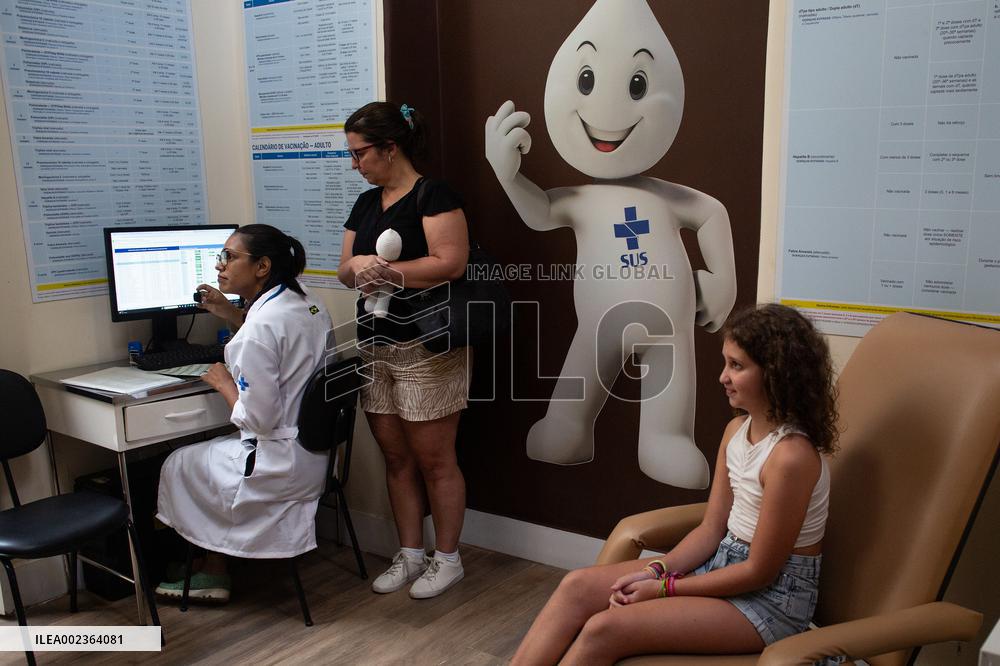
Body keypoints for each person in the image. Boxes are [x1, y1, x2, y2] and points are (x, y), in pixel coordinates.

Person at [512, 303, 839, 664]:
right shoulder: (736, 431)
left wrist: (664, 589)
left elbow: (758, 571)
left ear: (776, 374)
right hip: (722, 561)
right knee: (575, 587)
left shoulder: (791, 457)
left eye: (737, 366)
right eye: (725, 362)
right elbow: (712, 528)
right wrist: (657, 570)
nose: (722, 377)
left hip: (772, 598)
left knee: (604, 628)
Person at [155, 224, 334, 603]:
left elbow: (259, 420)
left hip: (279, 463)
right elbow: (279, 340)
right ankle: (212, 559)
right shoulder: (307, 301)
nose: (219, 265)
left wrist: (223, 383)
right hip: (317, 456)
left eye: (229, 256)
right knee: (205, 455)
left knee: (178, 461)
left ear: (262, 266)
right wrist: (232, 314)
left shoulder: (257, 332)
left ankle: (211, 571)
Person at [337, 101, 470, 599]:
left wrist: (391, 272)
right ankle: (411, 554)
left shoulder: (432, 195)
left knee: (436, 460)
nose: (356, 164)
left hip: (426, 344)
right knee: (396, 459)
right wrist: (363, 268)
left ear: (390, 147)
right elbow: (344, 268)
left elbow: (451, 262)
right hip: (376, 347)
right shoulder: (367, 203)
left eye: (360, 153)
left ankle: (448, 558)